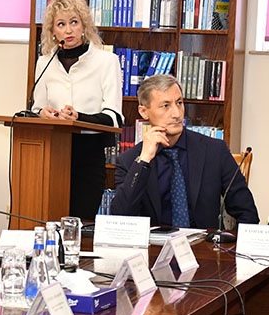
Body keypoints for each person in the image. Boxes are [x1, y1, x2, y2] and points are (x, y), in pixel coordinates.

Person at [111, 74, 259, 228]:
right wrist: (144, 161)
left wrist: (229, 242)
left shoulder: (214, 151)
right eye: (165, 106)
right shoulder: (129, 161)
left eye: (179, 103)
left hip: (204, 242)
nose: (177, 114)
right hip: (154, 242)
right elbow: (120, 217)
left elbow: (248, 213)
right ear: (144, 112)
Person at [31, 0, 123, 220]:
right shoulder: (44, 62)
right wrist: (43, 113)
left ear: (84, 26)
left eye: (74, 22)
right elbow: (36, 109)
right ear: (53, 31)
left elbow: (114, 117)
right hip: (52, 153)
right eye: (61, 24)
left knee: (80, 222)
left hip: (88, 155)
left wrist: (78, 117)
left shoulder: (106, 61)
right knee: (50, 221)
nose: (68, 30)